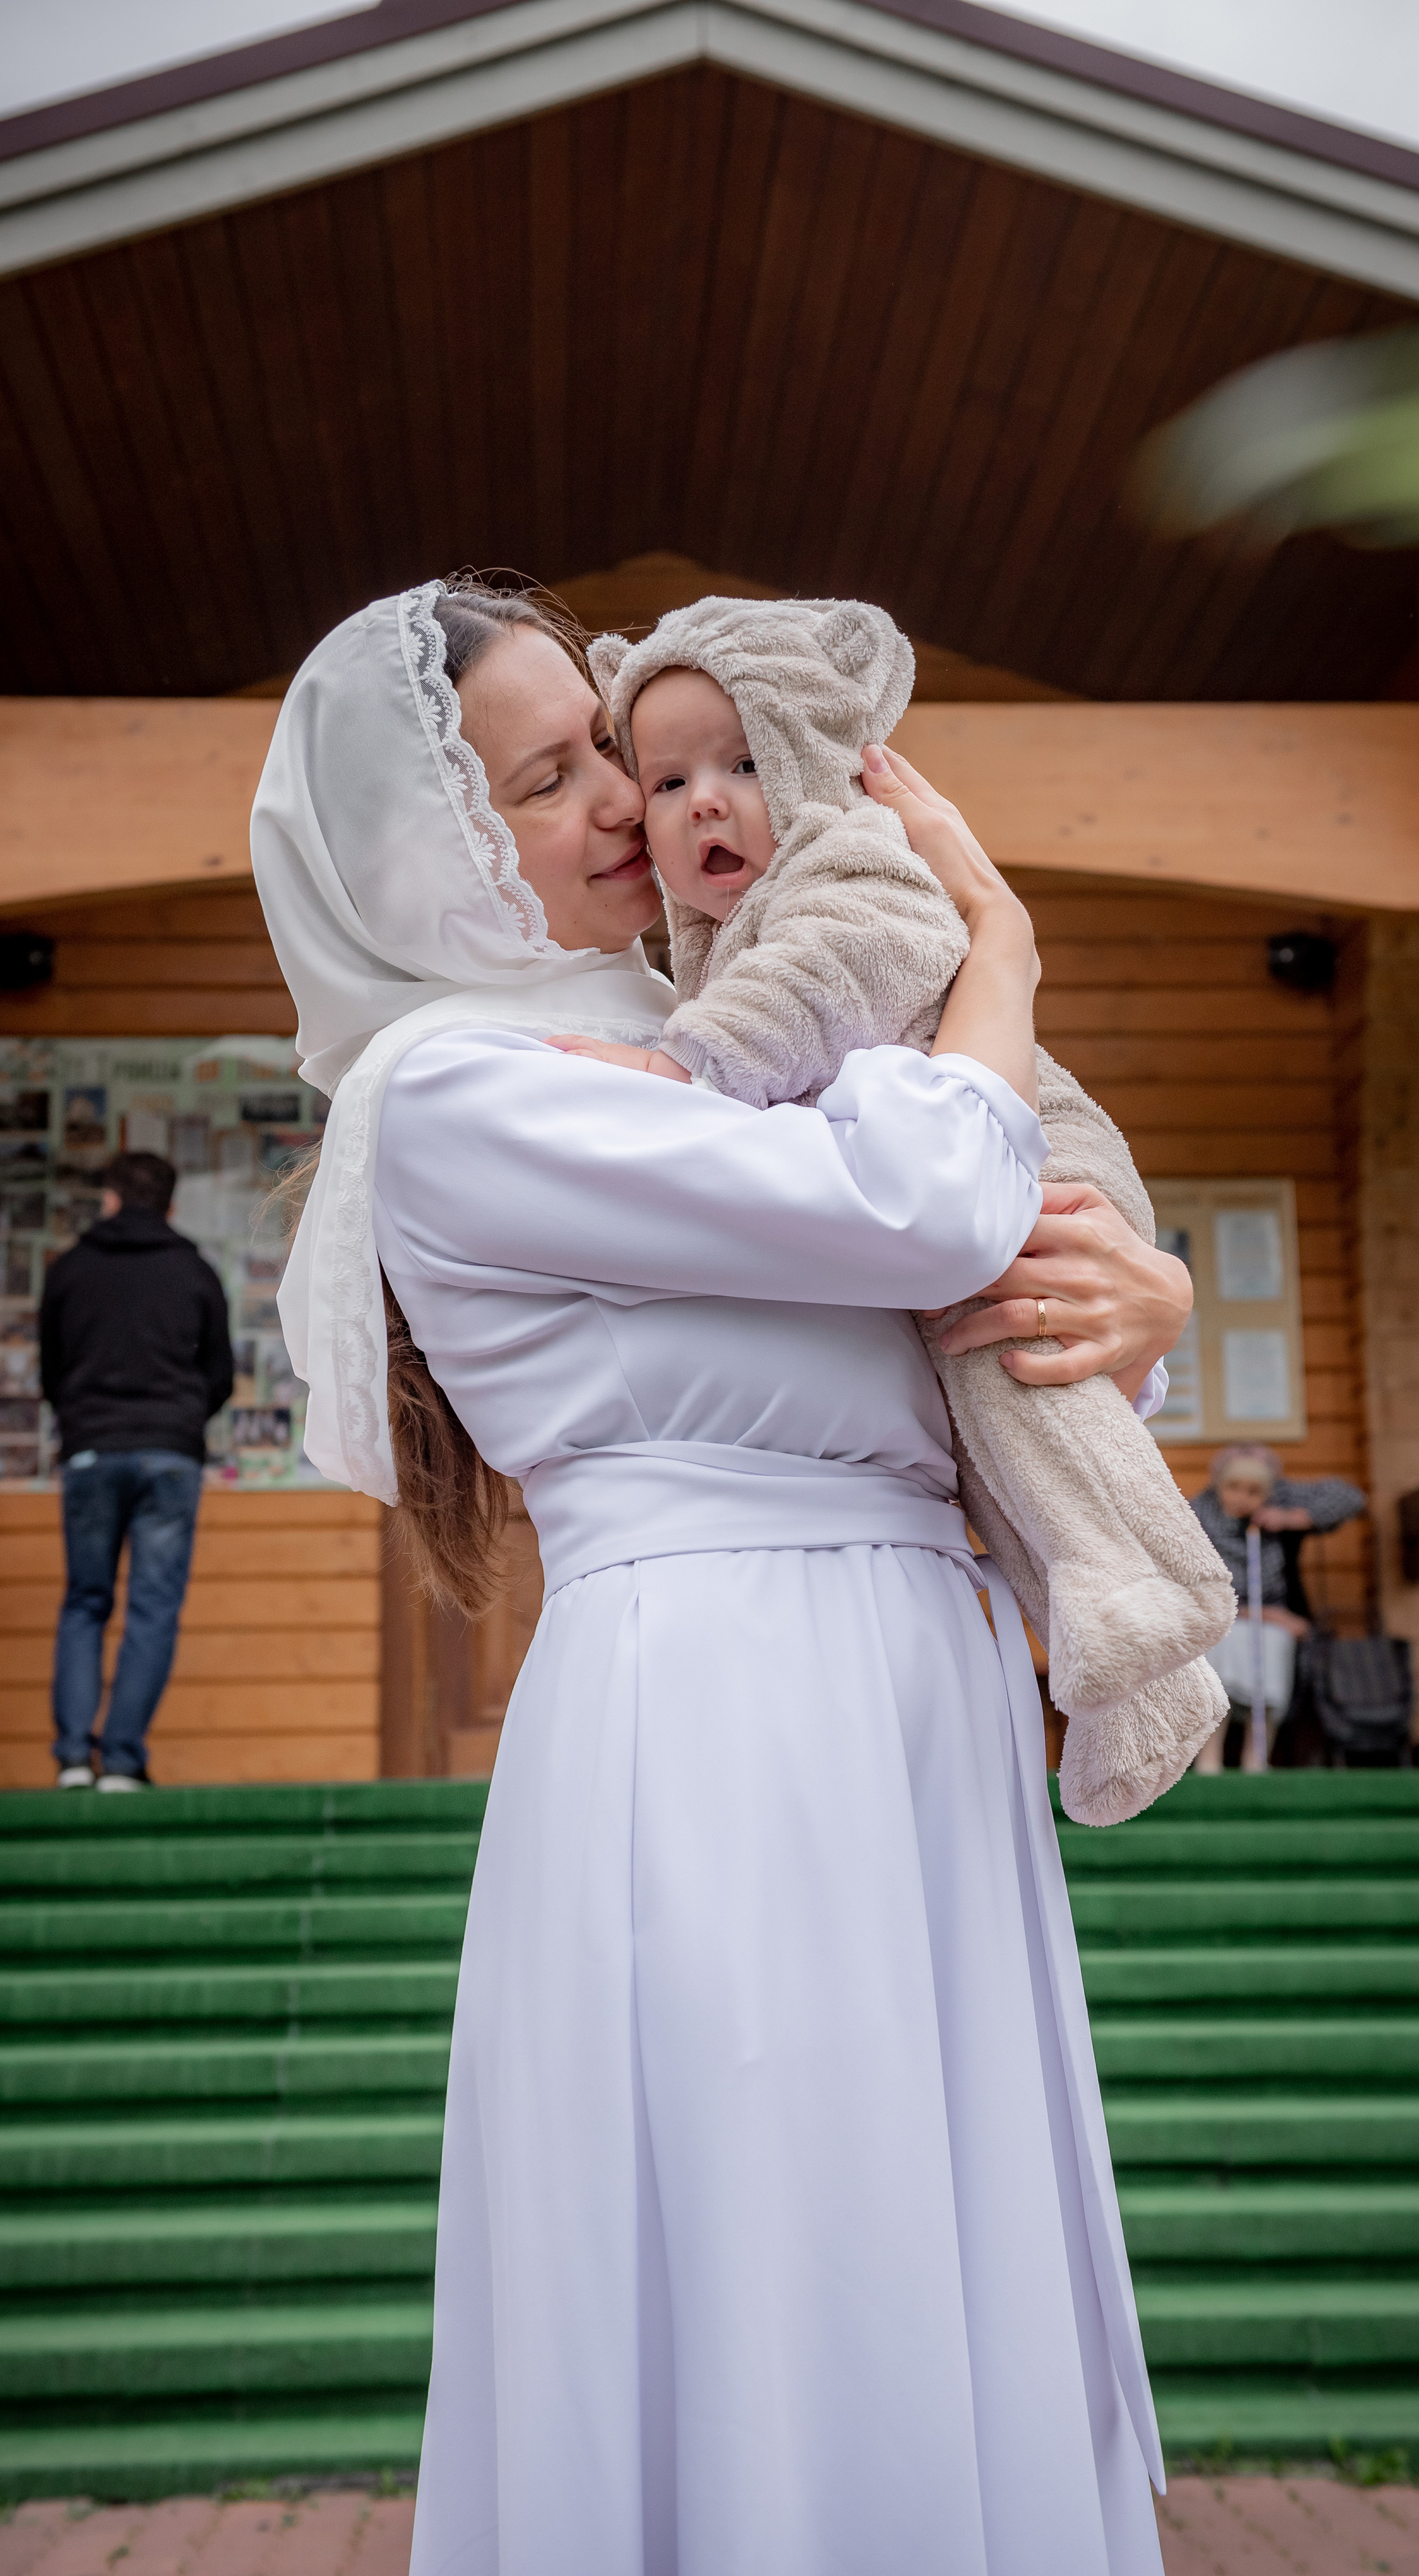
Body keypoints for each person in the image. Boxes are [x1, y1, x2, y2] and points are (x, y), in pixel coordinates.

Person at [253, 578, 1192, 2575]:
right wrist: (999, 952)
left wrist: (1149, 1290)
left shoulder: (695, 1023)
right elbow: (924, 1194)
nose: (619, 795)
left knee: (929, 2222)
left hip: (909, 1690)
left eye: (607, 743)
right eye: (544, 777)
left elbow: (980, 1303)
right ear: (432, 847)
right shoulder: (459, 1094)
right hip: (722, 1706)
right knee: (791, 2230)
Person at [560, 595, 1233, 1823]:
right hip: (959, 1204)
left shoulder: (851, 865)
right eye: (669, 779)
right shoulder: (713, 937)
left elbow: (835, 972)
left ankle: (1146, 1589)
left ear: (824, 764)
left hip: (1044, 1168)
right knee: (989, 1434)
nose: (706, 798)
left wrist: (689, 1066)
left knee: (1005, 1384)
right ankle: (1141, 1683)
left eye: (752, 759)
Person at [38, 1150, 233, 1790]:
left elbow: (51, 1369)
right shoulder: (194, 1271)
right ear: (170, 1206)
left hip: (90, 1451)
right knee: (152, 1607)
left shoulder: (70, 1270)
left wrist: (83, 1422)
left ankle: (72, 1758)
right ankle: (122, 1761)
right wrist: (178, 1423)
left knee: (85, 1602)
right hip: (170, 1455)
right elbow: (221, 1377)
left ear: (112, 1199)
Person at [1191, 1443, 1367, 1770]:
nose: (1242, 1497)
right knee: (1221, 1646)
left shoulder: (1278, 1506)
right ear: (1218, 1485)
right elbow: (1195, 1594)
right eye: (1234, 1487)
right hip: (1217, 1618)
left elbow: (1350, 1497)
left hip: (1272, 1624)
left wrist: (1291, 1518)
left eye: (1254, 1491)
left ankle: (1256, 1757)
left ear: (1268, 1494)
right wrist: (1270, 1616)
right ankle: (1209, 1758)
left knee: (1276, 1643)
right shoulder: (1195, 1516)